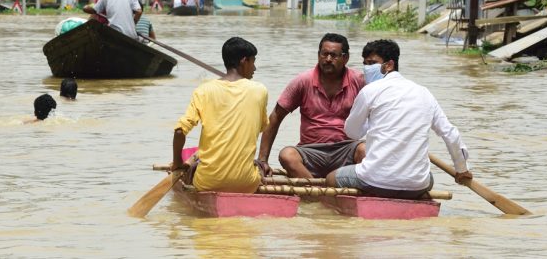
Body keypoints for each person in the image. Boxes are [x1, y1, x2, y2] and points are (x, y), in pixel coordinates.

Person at [326, 39, 472, 199]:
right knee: (428, 178)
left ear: (389, 65)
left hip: (375, 180)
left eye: (372, 63)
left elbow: (352, 133)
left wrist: (372, 120)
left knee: (331, 178)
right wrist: (461, 169)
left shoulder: (369, 91)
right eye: (365, 63)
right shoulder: (424, 93)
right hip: (417, 184)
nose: (367, 69)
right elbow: (451, 134)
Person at [257, 33, 365, 178]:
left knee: (366, 150)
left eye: (334, 55)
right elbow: (276, 116)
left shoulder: (358, 81)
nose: (328, 59)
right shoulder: (302, 81)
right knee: (287, 155)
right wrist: (263, 160)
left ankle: (324, 189)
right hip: (310, 151)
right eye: (324, 54)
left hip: (346, 149)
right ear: (318, 55)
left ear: (345, 58)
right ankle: (315, 191)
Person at [171, 37, 269, 193]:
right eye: (253, 62)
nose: (255, 68)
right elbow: (263, 127)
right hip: (246, 183)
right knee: (260, 167)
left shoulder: (203, 90)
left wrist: (177, 163)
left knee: (193, 170)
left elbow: (179, 131)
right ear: (244, 61)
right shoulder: (260, 90)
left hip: (208, 183)